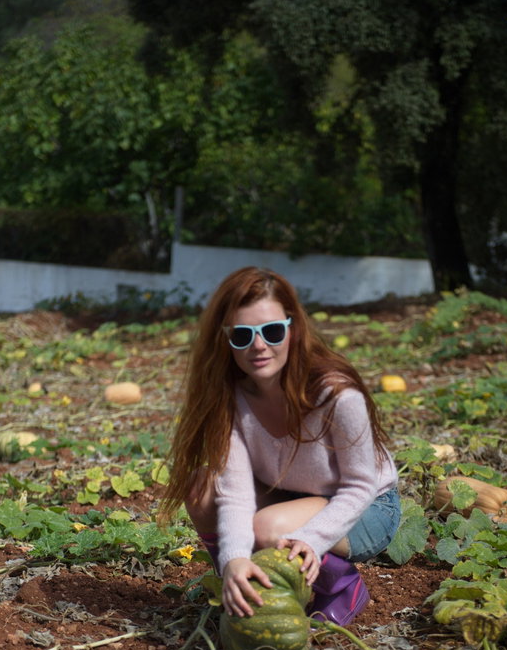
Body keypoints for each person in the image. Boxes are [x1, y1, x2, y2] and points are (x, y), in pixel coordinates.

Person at [160, 266, 400, 627]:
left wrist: (310, 539)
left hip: (364, 508)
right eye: (242, 336)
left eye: (271, 331)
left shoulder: (335, 394)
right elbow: (237, 494)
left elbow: (360, 485)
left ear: (293, 328)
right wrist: (234, 560)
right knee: (202, 487)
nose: (259, 346)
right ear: (224, 339)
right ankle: (245, 585)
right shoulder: (233, 398)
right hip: (291, 496)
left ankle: (341, 585)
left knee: (271, 528)